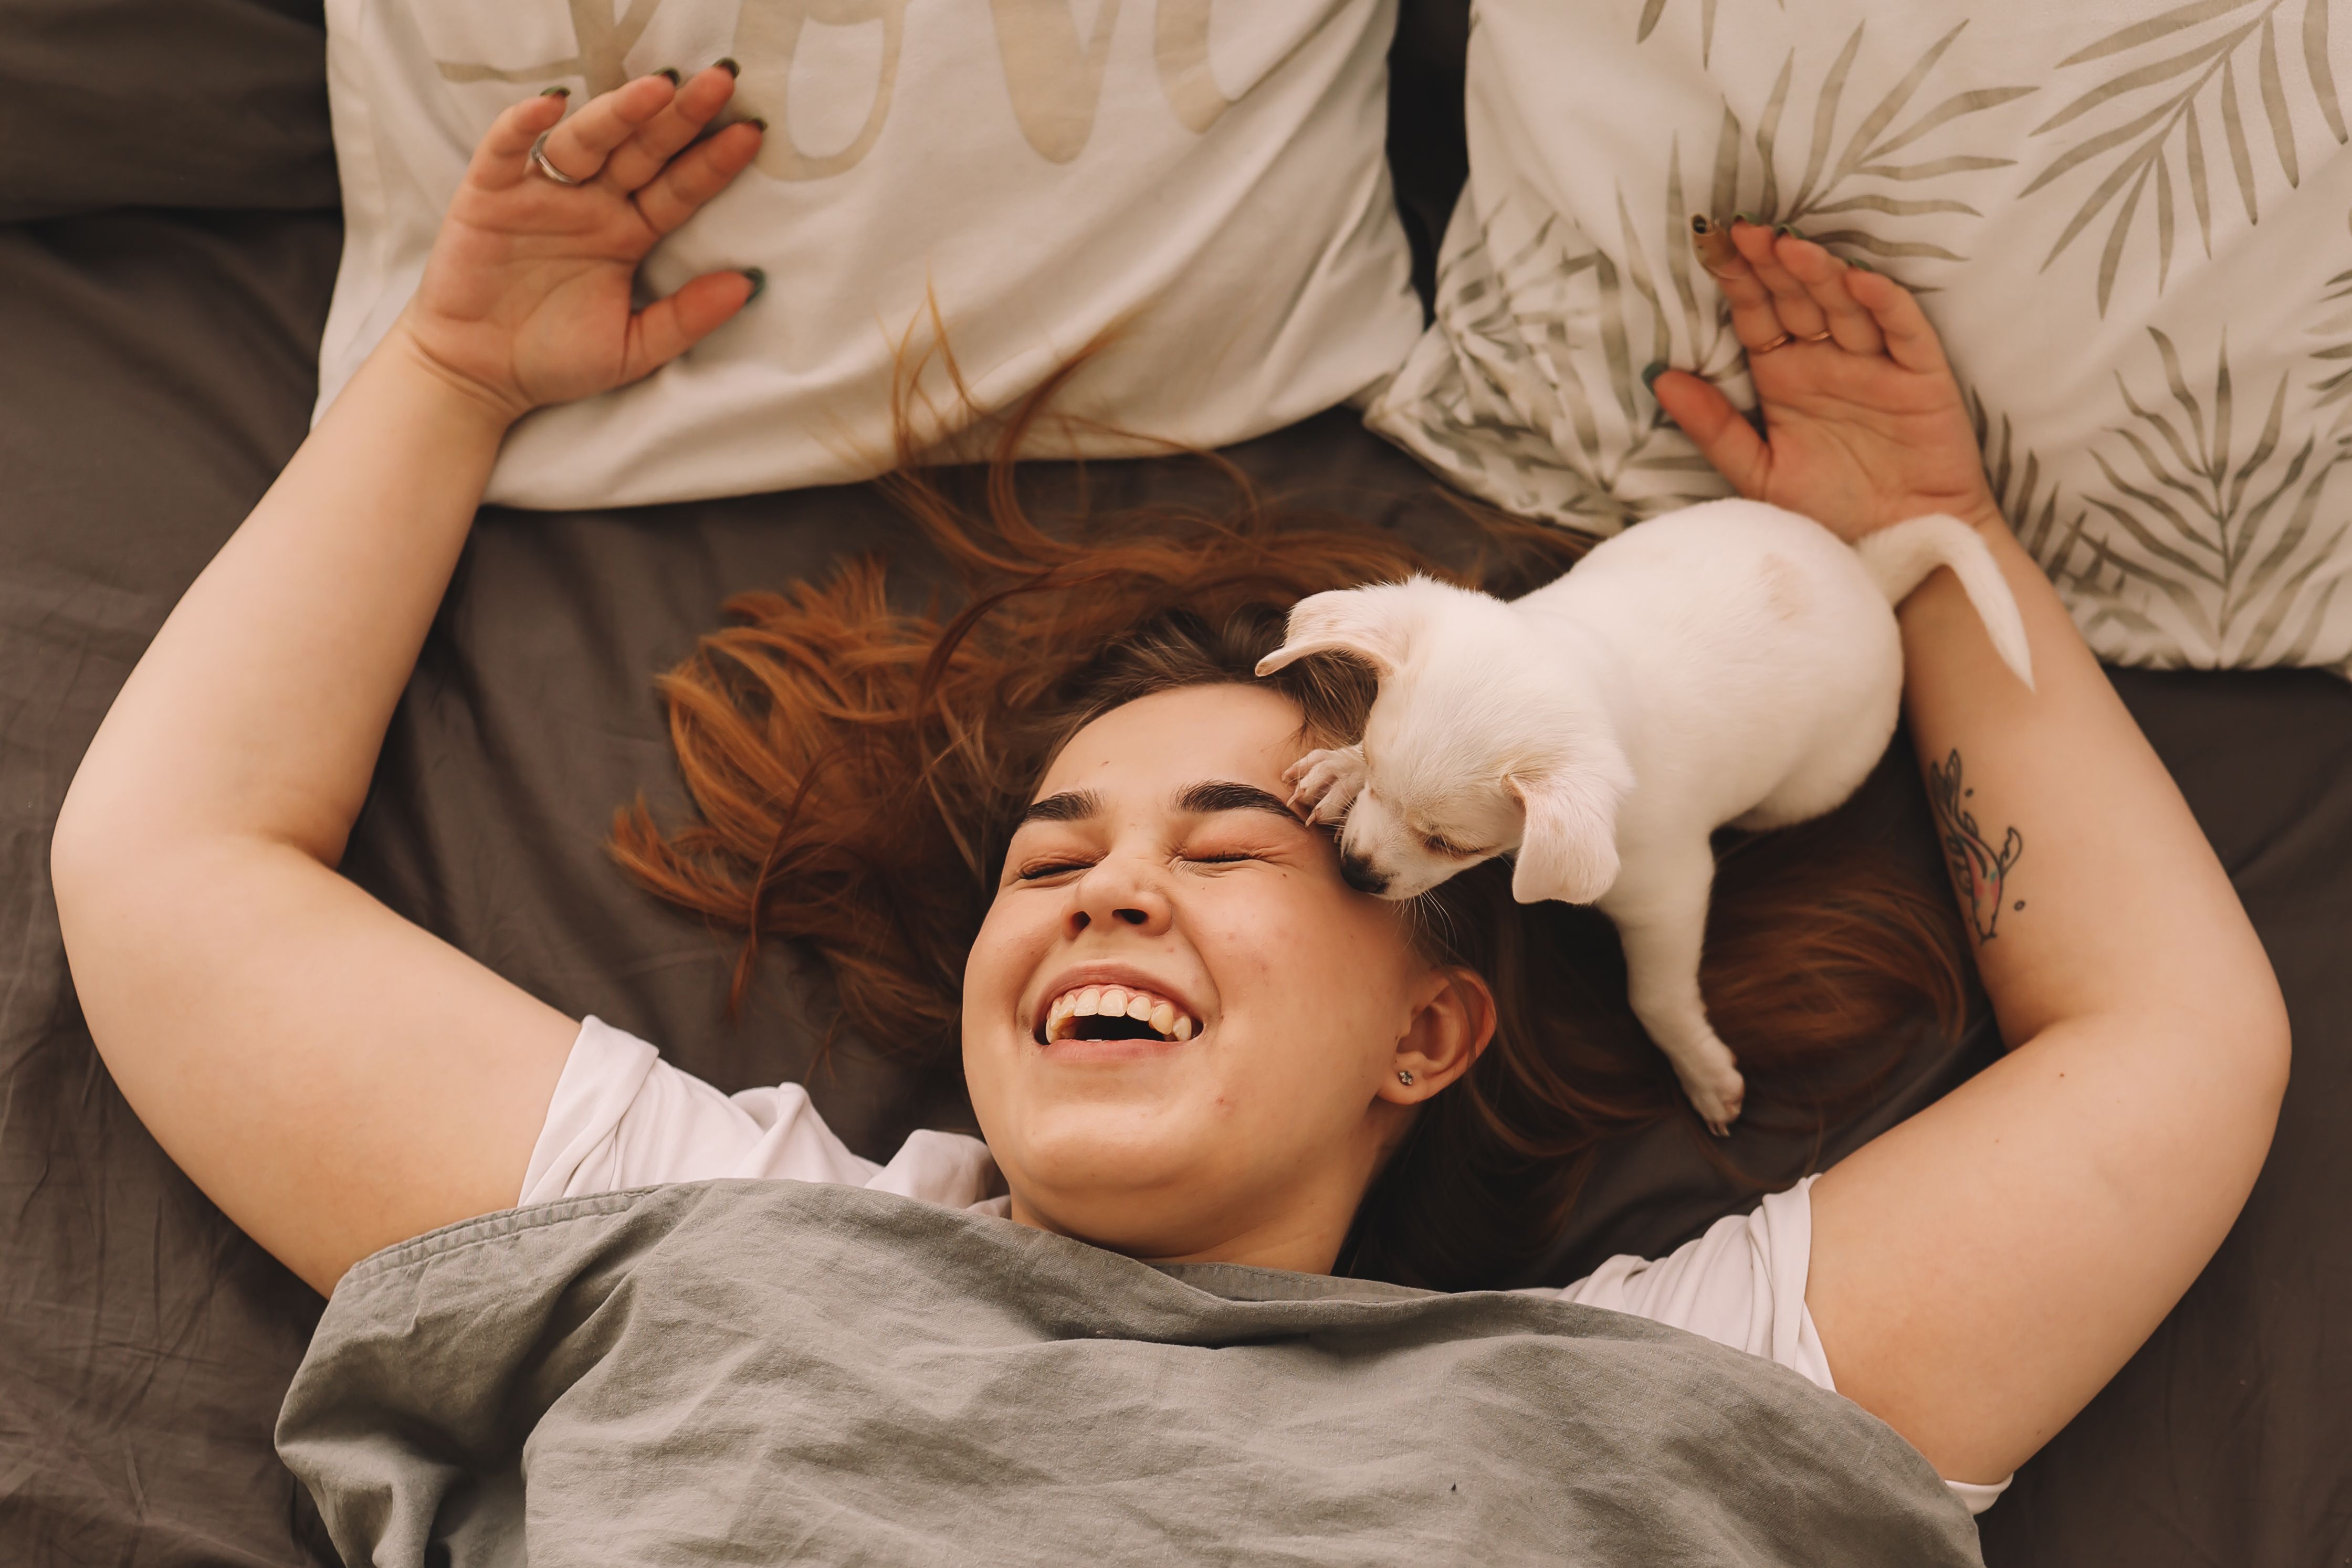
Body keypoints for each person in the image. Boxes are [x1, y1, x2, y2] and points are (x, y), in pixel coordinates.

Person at [51, 67, 2287, 1517]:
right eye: (1055, 859)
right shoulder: (706, 1236)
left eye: (1235, 843)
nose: (1104, 893)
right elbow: (172, 871)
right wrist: (445, 383)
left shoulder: (1658, 1398)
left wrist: (1935, 558)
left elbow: (2174, 1049)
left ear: (1436, 1025)